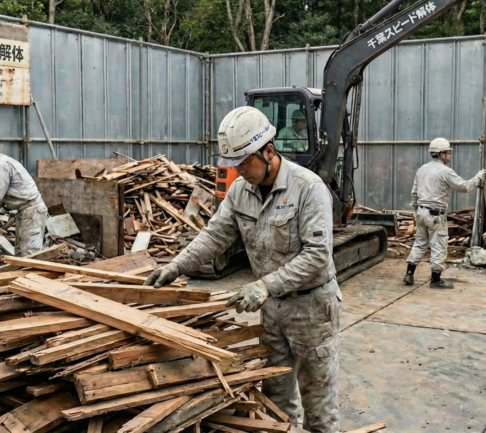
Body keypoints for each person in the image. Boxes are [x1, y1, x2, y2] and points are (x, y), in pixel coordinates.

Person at [144, 106, 340, 433]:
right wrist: (177, 265)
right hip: (274, 309)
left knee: (318, 402)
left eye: (245, 161)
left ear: (268, 151)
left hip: (312, 310)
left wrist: (264, 286)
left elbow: (317, 255)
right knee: (274, 398)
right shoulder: (240, 191)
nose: (240, 170)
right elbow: (215, 235)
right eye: (234, 163)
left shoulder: (308, 188)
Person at [406, 137, 486, 289]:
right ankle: (435, 280)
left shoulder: (422, 169)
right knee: (439, 246)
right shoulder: (445, 171)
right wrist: (478, 178)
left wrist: (417, 212)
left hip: (422, 212)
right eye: (449, 152)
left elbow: (414, 193)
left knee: (419, 244)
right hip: (436, 215)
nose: (450, 155)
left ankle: (409, 273)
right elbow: (463, 186)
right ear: (441, 154)